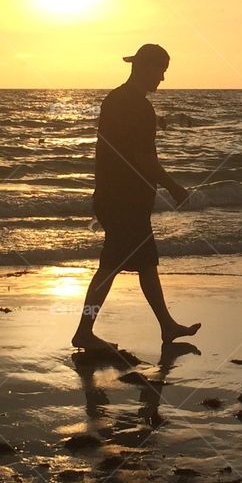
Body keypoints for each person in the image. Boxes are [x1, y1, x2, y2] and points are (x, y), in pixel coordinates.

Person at [72, 44, 201, 350]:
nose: (163, 79)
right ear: (145, 68)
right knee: (109, 267)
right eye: (161, 71)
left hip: (114, 196)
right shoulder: (138, 107)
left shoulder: (115, 99)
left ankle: (167, 326)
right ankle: (84, 331)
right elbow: (143, 158)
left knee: (145, 263)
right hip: (123, 201)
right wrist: (172, 186)